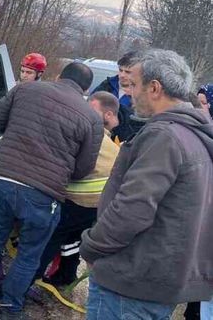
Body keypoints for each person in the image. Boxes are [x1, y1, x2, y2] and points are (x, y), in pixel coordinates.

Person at [80, 49, 213, 320]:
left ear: (154, 88)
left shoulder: (164, 137)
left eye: (133, 85)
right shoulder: (194, 136)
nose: (128, 94)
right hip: (157, 281)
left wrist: (92, 247)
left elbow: (132, 209)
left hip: (130, 282)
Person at [0, 62, 103, 319]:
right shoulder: (91, 118)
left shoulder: (26, 90)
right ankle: (9, 309)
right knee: (28, 254)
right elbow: (82, 170)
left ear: (58, 76)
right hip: (44, 193)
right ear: (86, 89)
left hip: (5, 179)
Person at [32, 91, 121, 289]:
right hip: (95, 204)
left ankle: (30, 277)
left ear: (108, 114)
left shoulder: (95, 137)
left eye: (92, 109)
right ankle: (66, 274)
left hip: (80, 201)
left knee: (53, 234)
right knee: (73, 238)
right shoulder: (108, 140)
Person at [91, 51, 144, 143]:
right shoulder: (106, 85)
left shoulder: (144, 97)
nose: (122, 75)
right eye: (120, 70)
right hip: (95, 138)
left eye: (128, 72)